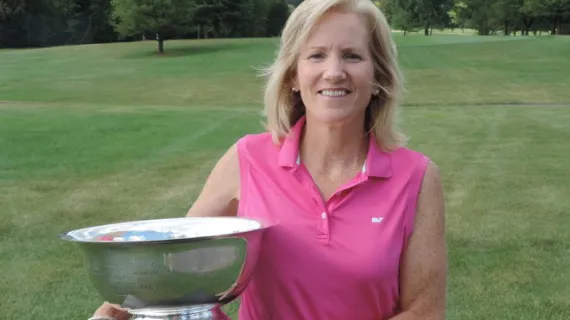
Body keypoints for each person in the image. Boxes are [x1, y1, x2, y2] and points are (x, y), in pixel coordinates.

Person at [89, 0, 447, 319]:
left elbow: (425, 311)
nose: (334, 71)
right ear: (293, 75)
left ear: (378, 77)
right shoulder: (247, 158)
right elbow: (169, 263)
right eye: (316, 55)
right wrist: (107, 314)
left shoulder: (417, 177)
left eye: (352, 55)